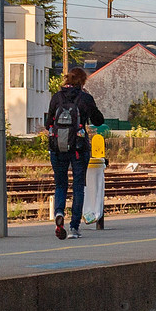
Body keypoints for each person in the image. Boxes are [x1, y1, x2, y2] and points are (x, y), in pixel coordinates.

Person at [45, 67, 106, 239]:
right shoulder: (85, 98)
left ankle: (59, 213)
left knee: (60, 185)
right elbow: (98, 120)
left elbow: (47, 122)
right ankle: (74, 227)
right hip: (79, 148)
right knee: (78, 186)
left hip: (57, 147)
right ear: (83, 81)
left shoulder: (56, 97)